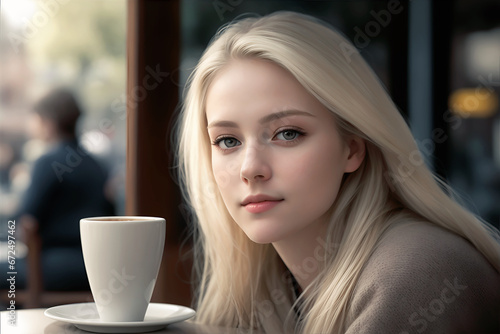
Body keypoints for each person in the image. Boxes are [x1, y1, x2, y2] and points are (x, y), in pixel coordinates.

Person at [175, 11, 500, 334]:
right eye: (227, 140)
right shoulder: (263, 291)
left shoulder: (418, 273)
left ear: (353, 149)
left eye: (287, 133)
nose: (250, 169)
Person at [1, 88, 115, 293]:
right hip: (96, 268)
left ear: (47, 122)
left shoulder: (47, 162)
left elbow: (25, 219)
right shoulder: (97, 165)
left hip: (51, 267)